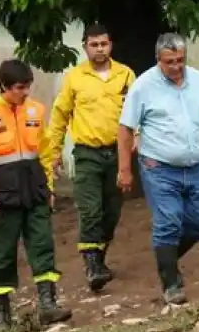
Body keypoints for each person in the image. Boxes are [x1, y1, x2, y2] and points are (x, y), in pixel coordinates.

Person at [0, 58, 73, 329]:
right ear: (4, 86)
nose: (25, 93)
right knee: (3, 253)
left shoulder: (36, 111)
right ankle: (3, 313)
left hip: (35, 193)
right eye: (19, 88)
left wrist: (48, 187)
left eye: (27, 87)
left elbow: (46, 153)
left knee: (43, 246)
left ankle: (48, 305)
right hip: (1, 198)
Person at [117, 33, 199, 305]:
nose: (176, 67)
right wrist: (124, 169)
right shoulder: (143, 86)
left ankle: (167, 258)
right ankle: (170, 283)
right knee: (168, 221)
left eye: (180, 60)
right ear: (158, 60)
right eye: (169, 62)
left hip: (197, 166)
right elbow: (125, 128)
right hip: (159, 167)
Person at [46, 23, 136, 292]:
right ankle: (92, 266)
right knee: (90, 210)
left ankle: (99, 258)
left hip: (118, 153)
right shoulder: (75, 78)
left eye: (104, 44)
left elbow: (138, 112)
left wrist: (139, 141)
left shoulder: (126, 75)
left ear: (111, 45)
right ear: (85, 46)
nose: (99, 49)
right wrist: (53, 153)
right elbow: (60, 116)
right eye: (94, 45)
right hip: (87, 154)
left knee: (112, 211)